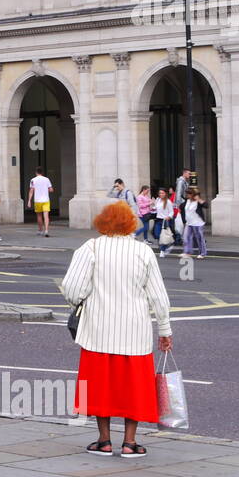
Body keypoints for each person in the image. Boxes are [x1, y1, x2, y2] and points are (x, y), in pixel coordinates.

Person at [61, 201, 173, 459]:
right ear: (131, 224)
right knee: (135, 388)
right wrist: (164, 330)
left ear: (102, 222)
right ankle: (130, 443)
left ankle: (104, 440)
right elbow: (158, 296)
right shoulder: (143, 252)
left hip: (98, 330)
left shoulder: (91, 248)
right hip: (135, 331)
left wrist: (82, 301)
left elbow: (72, 288)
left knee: (101, 386)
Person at [182, 187, 207, 258]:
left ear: (192, 194)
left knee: (199, 238)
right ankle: (187, 252)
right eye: (187, 194)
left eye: (189, 194)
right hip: (189, 223)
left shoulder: (197, 201)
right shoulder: (187, 201)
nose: (187, 195)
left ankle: (202, 253)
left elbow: (206, 205)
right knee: (186, 237)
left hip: (198, 223)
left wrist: (199, 199)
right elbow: (182, 207)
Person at [28, 166, 54, 236]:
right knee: (46, 216)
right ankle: (46, 230)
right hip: (46, 200)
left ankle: (40, 230)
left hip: (37, 200)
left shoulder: (33, 180)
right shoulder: (46, 179)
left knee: (39, 216)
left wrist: (29, 201)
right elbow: (51, 190)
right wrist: (46, 189)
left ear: (36, 172)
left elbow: (31, 191)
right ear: (42, 172)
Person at [154, 188, 175, 257]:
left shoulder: (168, 202)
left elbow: (172, 212)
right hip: (158, 219)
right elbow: (155, 208)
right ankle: (166, 245)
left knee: (164, 236)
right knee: (157, 235)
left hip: (165, 221)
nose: (161, 194)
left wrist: (168, 217)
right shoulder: (158, 200)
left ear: (165, 194)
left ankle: (162, 250)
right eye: (160, 193)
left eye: (162, 193)